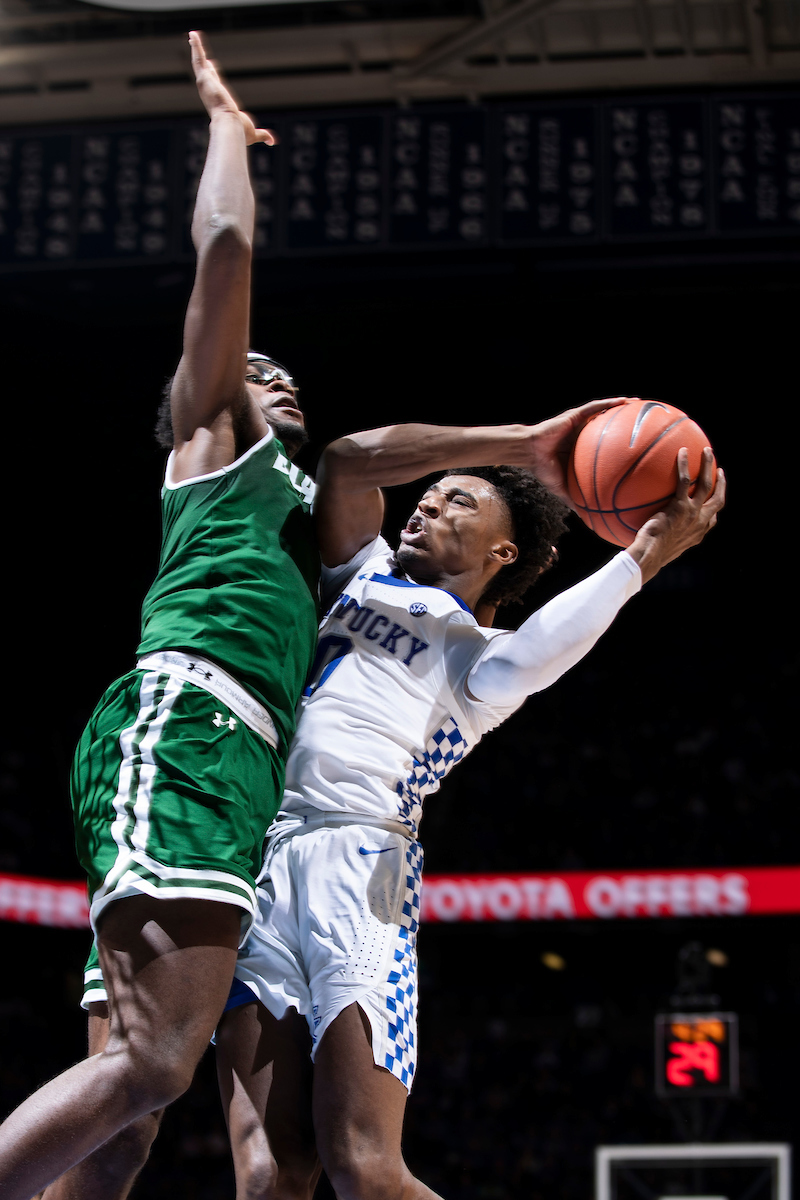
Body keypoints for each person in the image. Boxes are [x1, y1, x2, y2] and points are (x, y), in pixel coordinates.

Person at [209, 426, 725, 1200]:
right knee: (269, 1171)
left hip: (365, 868)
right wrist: (527, 444)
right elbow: (347, 463)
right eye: (431, 491)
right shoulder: (364, 572)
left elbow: (546, 646)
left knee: (364, 1166)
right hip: (259, 861)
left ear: (502, 554)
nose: (428, 502)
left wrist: (645, 553)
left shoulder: (479, 660)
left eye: (459, 501)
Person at [0, 31, 321, 1200]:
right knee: (150, 1069)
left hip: (218, 761)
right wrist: (227, 133)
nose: (278, 379)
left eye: (290, 376)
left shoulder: (292, 513)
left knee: (125, 1129)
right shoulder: (209, 449)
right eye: (256, 367)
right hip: (187, 726)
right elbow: (225, 244)